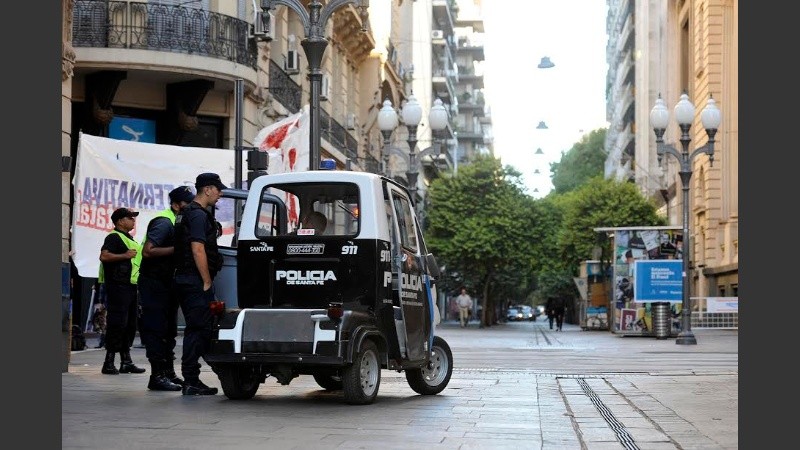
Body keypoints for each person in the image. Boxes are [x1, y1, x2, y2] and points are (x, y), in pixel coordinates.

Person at [173, 173, 228, 396]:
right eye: (218, 189)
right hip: (194, 280)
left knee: (198, 328)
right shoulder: (197, 215)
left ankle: (193, 378)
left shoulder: (186, 213)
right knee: (199, 329)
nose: (220, 193)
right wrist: (206, 280)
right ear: (207, 190)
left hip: (184, 278)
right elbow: (197, 248)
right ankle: (191, 380)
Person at [138, 185, 195, 391]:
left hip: (167, 283)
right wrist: (179, 249)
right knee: (157, 329)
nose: (190, 207)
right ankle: (157, 376)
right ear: (176, 204)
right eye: (187, 204)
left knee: (169, 330)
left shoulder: (179, 221)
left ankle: (168, 372)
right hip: (154, 283)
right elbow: (148, 251)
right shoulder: (164, 222)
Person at [98, 207, 146, 375]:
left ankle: (126, 361)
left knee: (129, 325)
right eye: (130, 218)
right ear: (120, 221)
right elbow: (104, 256)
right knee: (117, 324)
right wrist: (125, 256)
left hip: (130, 286)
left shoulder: (129, 239)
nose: (133, 220)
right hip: (118, 287)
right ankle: (108, 362)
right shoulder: (114, 237)